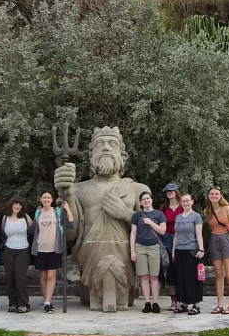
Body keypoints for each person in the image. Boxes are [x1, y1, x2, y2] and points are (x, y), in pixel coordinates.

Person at [53, 126, 150, 311]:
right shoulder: (78, 189)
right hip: (90, 256)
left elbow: (150, 228)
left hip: (125, 255)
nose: (106, 147)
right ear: (91, 155)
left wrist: (126, 214)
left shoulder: (137, 189)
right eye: (100, 144)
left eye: (112, 143)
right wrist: (68, 195)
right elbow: (70, 234)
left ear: (123, 155)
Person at [29, 191, 74, 313]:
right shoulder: (38, 212)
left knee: (51, 276)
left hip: (54, 249)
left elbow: (70, 223)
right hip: (40, 249)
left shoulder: (57, 212)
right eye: (44, 197)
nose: (46, 200)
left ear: (52, 199)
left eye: (48, 198)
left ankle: (47, 302)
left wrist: (67, 209)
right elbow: (32, 230)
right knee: (43, 276)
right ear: (41, 199)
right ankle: (47, 301)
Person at [204, 186, 229, 315]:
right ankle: (219, 304)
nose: (214, 196)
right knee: (219, 274)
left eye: (216, 194)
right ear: (208, 196)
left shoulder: (227, 209)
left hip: (227, 239)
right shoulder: (207, 211)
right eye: (211, 194)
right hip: (214, 239)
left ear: (220, 196)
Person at [130, 191, 167, 313]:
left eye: (148, 198)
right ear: (141, 202)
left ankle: (155, 302)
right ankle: (147, 302)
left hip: (154, 246)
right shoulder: (136, 216)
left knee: (154, 276)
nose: (146, 201)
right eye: (143, 199)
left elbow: (162, 231)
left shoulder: (159, 214)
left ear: (152, 200)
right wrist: (132, 250)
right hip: (140, 246)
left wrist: (150, 222)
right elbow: (133, 233)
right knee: (144, 276)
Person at [172, 193, 205, 315]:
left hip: (192, 251)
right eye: (183, 201)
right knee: (180, 278)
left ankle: (196, 304)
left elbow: (198, 234)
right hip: (179, 250)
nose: (185, 203)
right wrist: (173, 251)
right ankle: (183, 303)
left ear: (192, 202)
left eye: (187, 201)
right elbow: (176, 236)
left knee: (193, 278)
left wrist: (201, 249)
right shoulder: (178, 217)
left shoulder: (196, 216)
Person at [1, 196, 33, 313]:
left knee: (20, 277)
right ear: (11, 205)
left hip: (23, 250)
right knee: (10, 278)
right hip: (9, 250)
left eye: (19, 205)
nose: (17, 206)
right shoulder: (5, 218)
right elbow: (3, 232)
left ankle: (23, 304)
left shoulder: (25, 217)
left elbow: (34, 228)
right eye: (15, 204)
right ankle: (13, 303)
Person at [159, 182, 183, 310]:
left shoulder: (183, 206)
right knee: (170, 270)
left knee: (181, 269)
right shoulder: (163, 208)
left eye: (172, 191)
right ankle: (173, 300)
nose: (170, 193)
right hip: (167, 239)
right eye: (168, 191)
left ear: (176, 191)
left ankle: (182, 299)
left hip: (182, 239)